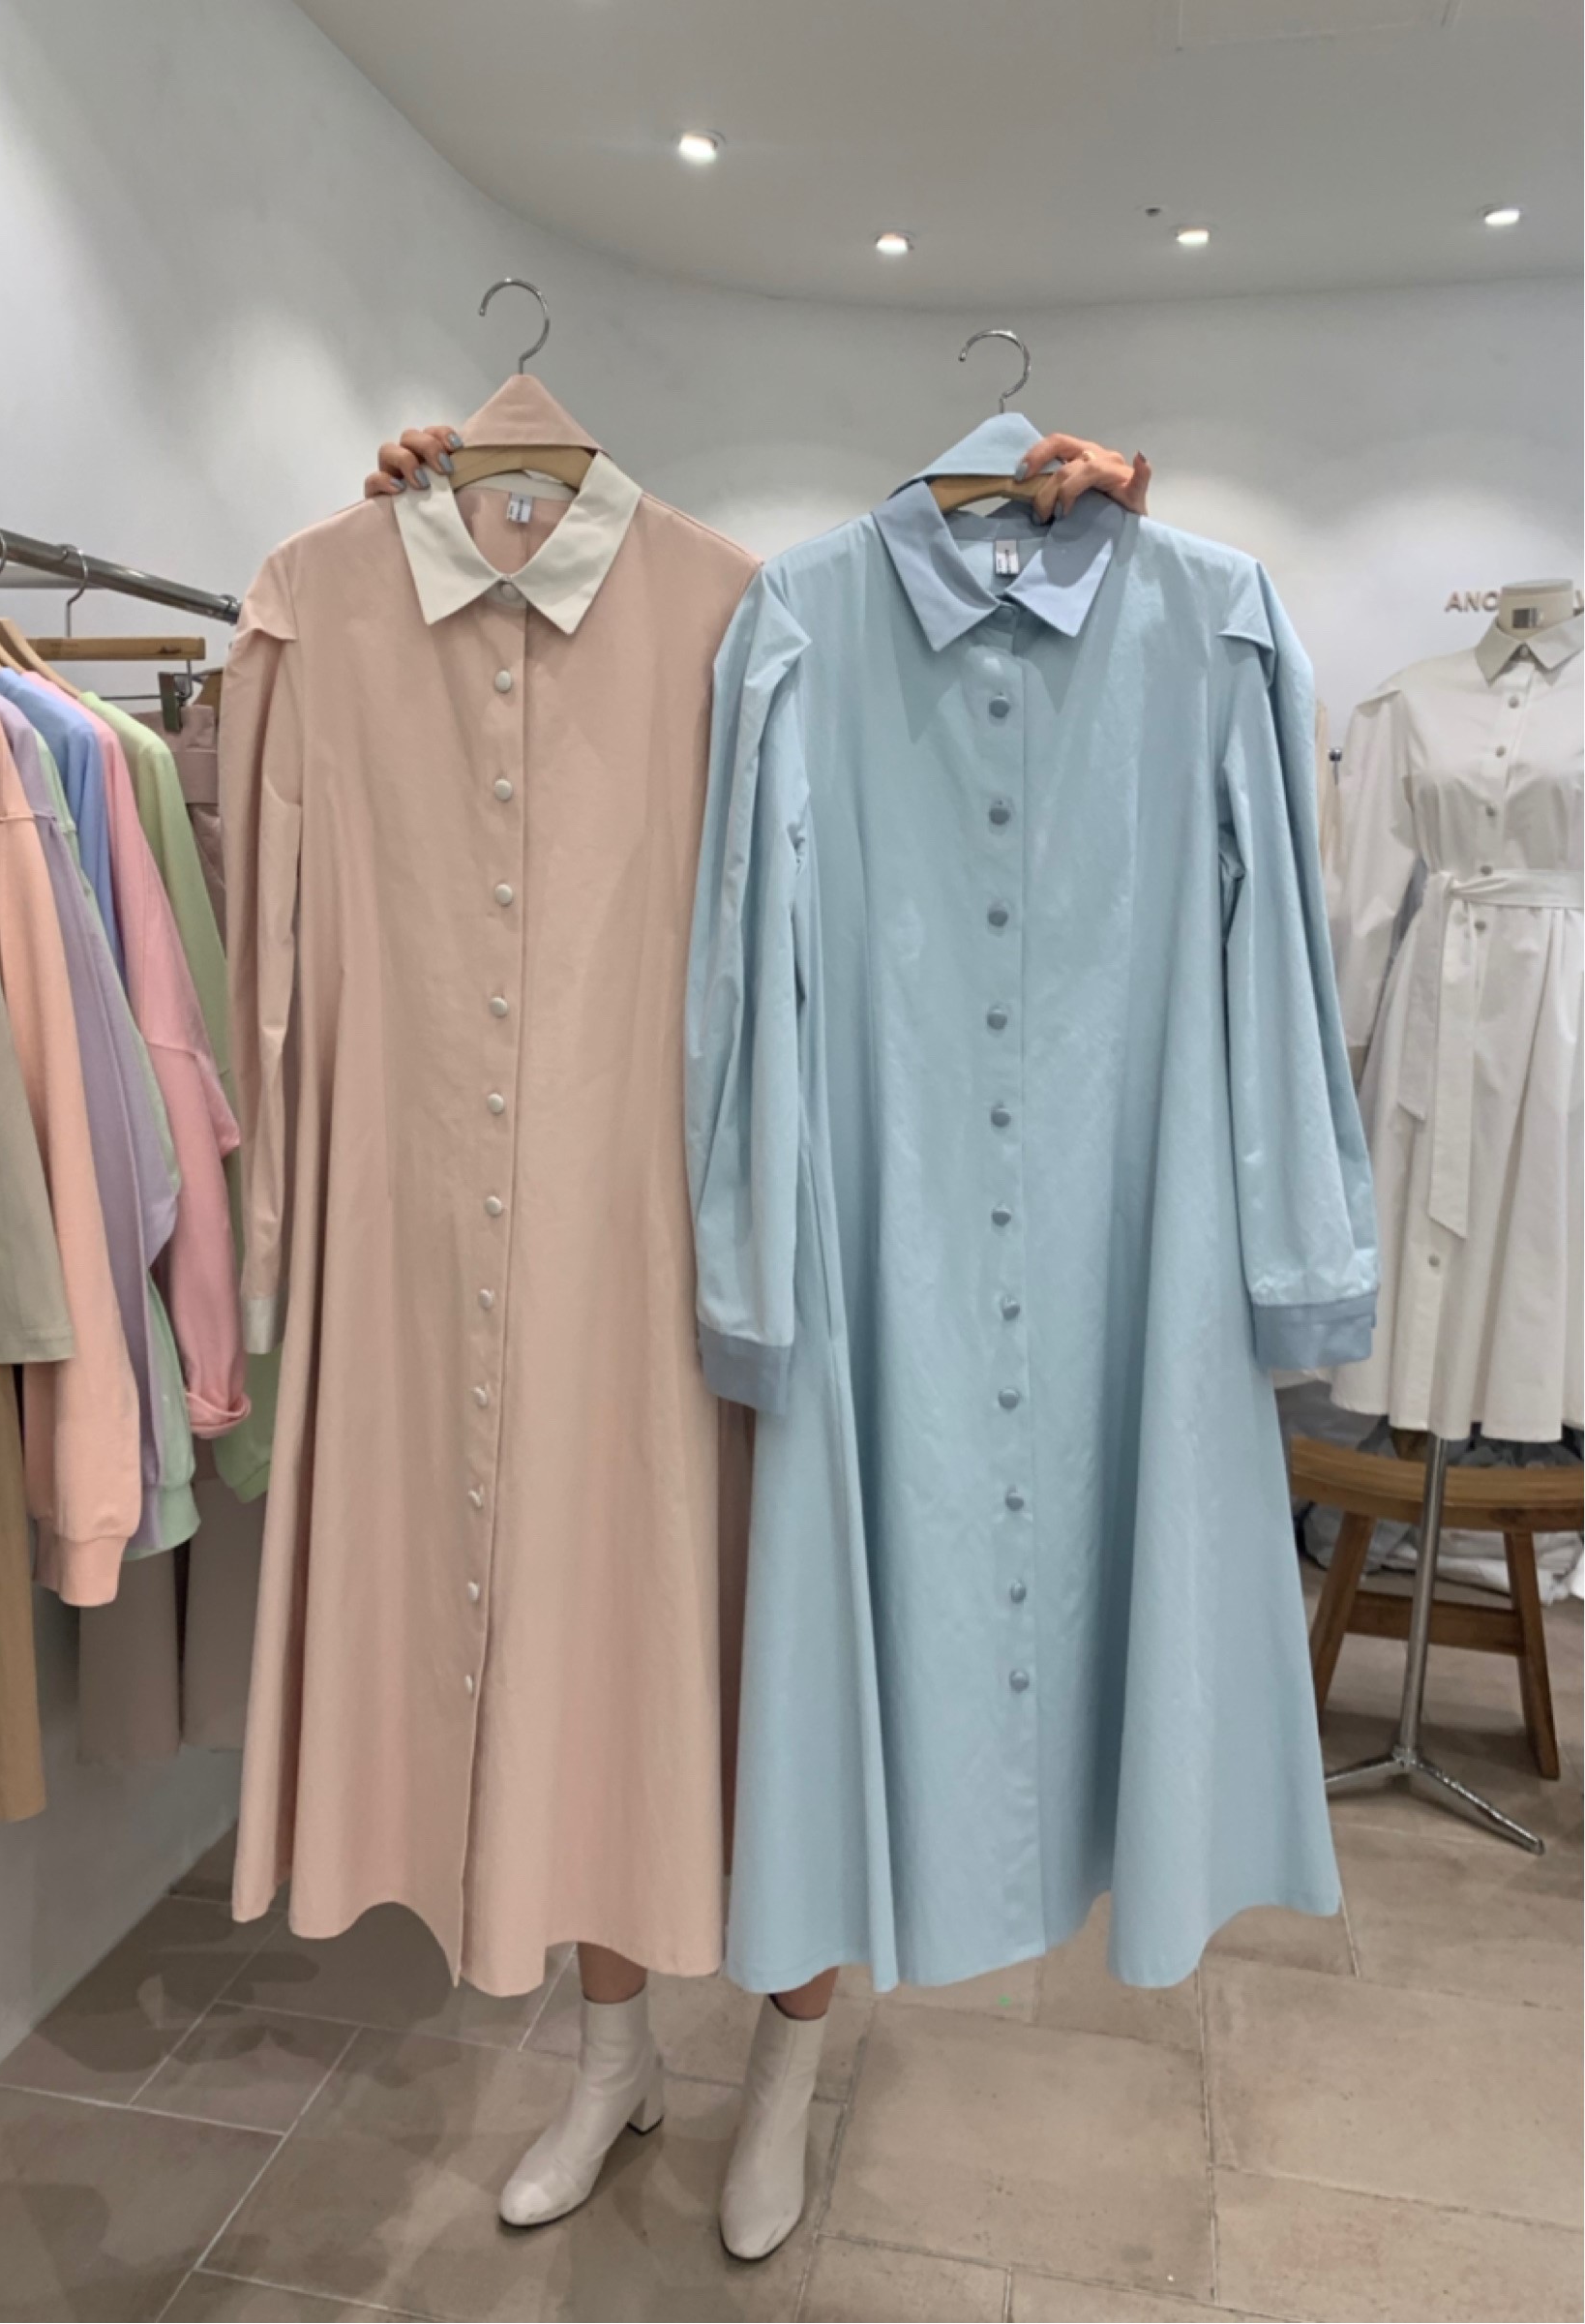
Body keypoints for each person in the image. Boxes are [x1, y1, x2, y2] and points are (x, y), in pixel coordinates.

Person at [356, 422, 1153, 2255]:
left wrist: (1112, 539)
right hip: (595, 1234)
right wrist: (406, 525)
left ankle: (787, 2071)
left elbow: (1010, 760)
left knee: (789, 1676)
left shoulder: (751, 601)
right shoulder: (645, 609)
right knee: (600, 1671)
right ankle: (612, 2058)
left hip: (799, 1214)